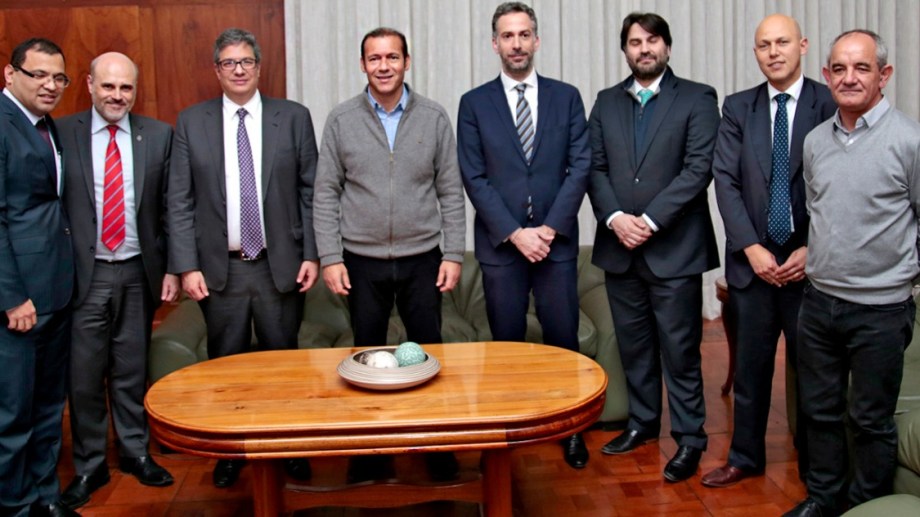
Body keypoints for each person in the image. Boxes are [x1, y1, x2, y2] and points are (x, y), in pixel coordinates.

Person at [167, 27, 319, 489]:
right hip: (221, 269)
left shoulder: (293, 117)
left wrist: (313, 254)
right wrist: (186, 265)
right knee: (225, 367)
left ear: (259, 66)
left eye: (246, 61)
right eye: (229, 63)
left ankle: (289, 449)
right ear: (217, 70)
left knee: (283, 365)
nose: (238, 70)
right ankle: (230, 452)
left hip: (280, 265)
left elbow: (312, 192)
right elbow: (179, 200)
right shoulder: (191, 122)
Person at [313, 26, 465, 482]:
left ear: (406, 62)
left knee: (428, 356)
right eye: (375, 58)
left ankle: (437, 447)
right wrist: (330, 257)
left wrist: (454, 253)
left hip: (423, 258)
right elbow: (325, 192)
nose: (384, 66)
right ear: (363, 65)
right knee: (365, 359)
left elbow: (451, 190)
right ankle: (369, 453)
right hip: (361, 261)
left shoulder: (434, 117)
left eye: (392, 57)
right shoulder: (341, 119)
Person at [784, 30, 920, 517]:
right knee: (819, 412)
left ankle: (866, 507)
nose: (849, 77)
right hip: (819, 303)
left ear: (884, 75)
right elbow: (817, 212)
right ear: (826, 75)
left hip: (881, 311)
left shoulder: (910, 140)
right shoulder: (815, 141)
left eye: (862, 68)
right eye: (839, 68)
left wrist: (903, 277)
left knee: (870, 420)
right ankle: (823, 499)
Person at [587, 12, 720, 482]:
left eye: (653, 40)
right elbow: (594, 168)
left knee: (680, 351)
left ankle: (689, 438)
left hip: (675, 250)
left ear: (667, 46)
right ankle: (642, 424)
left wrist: (648, 221)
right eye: (635, 42)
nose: (644, 49)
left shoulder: (698, 98)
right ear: (625, 50)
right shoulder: (605, 102)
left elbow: (698, 169)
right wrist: (615, 218)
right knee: (635, 347)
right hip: (619, 249)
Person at [457, 1, 591, 470]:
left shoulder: (567, 97)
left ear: (537, 40)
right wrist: (516, 234)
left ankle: (570, 430)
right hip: (502, 248)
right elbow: (474, 177)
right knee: (506, 347)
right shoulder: (474, 103)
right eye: (507, 36)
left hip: (557, 245)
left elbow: (581, 166)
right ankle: (506, 433)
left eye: (524, 34)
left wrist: (548, 229)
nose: (517, 43)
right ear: (495, 44)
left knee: (563, 341)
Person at [704, 15, 835, 488]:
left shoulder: (829, 103)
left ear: (803, 45)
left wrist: (812, 248)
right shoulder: (739, 107)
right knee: (750, 372)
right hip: (752, 267)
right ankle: (745, 457)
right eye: (764, 45)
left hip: (810, 268)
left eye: (782, 42)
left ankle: (814, 466)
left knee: (813, 375)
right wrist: (753, 249)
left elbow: (839, 185)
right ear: (756, 52)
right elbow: (725, 180)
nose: (774, 52)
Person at [56, 52, 178, 509]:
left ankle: (134, 452)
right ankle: (90, 465)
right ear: (89, 85)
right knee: (84, 376)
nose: (117, 95)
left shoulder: (158, 135)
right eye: (108, 86)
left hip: (137, 270)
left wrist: (172, 267)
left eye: (126, 87)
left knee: (131, 369)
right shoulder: (61, 133)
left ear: (135, 90)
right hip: (83, 275)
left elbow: (170, 208)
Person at [0, 38, 78, 517]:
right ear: (10, 75)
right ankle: (15, 505)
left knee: (49, 407)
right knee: (13, 414)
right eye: (39, 75)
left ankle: (45, 498)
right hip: (19, 301)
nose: (50, 85)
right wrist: (11, 298)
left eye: (58, 77)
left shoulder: (47, 126)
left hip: (55, 291)